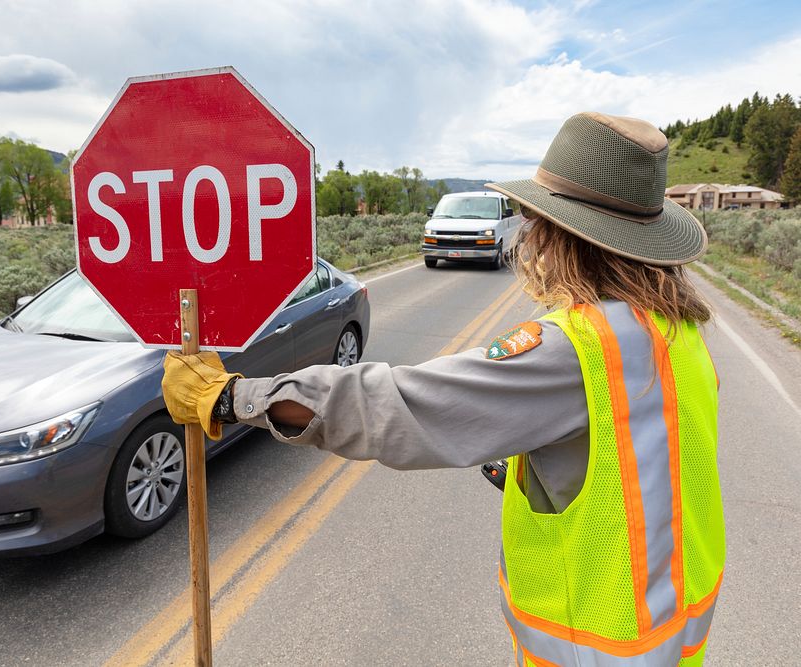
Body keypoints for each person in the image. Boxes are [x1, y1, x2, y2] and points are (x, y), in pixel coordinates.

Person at [162, 111, 724, 666]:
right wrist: (549, 474)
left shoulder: (577, 348)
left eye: (536, 221)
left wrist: (231, 397)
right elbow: (647, 462)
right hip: (673, 639)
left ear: (565, 237)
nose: (532, 236)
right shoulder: (678, 333)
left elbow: (394, 403)